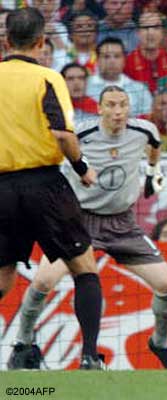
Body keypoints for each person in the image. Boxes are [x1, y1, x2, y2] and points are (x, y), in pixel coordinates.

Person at [8, 85, 167, 370]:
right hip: (79, 221)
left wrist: (153, 172)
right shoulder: (81, 133)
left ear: (129, 108)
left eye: (123, 105)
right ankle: (22, 343)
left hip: (122, 223)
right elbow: (56, 151)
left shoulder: (144, 130)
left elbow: (155, 146)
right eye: (111, 105)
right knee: (42, 282)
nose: (117, 112)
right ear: (99, 108)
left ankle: (160, 344)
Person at [0, 7, 102, 370]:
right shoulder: (47, 77)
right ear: (42, 41)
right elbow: (61, 133)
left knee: (3, 277)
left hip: (2, 188)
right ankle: (89, 357)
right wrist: (82, 167)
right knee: (84, 268)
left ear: (6, 40)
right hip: (44, 185)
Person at [87, 37, 153, 117]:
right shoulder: (85, 87)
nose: (112, 61)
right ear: (97, 60)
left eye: (117, 56)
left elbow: (147, 119)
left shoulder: (140, 89)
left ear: (124, 60)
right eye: (106, 57)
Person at [124, 11, 167, 93]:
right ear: (138, 32)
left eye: (156, 27)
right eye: (145, 28)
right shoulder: (127, 64)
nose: (151, 33)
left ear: (162, 32)